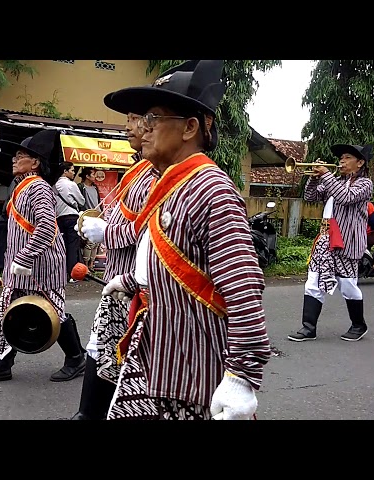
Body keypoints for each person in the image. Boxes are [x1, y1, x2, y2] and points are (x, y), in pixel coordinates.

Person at [92, 59, 271, 420]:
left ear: (190, 127)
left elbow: (243, 290)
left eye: (154, 118)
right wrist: (129, 281)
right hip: (158, 352)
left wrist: (242, 376)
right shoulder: (168, 184)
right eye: (144, 119)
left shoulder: (211, 189)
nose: (143, 129)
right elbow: (171, 259)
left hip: (194, 371)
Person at [0, 130, 86, 384]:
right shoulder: (23, 186)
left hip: (42, 266)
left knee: (54, 312)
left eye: (20, 155)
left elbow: (45, 227)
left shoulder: (39, 188)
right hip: (23, 267)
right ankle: (2, 363)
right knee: (8, 311)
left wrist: (24, 258)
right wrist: (12, 267)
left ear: (34, 162)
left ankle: (77, 358)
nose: (13, 159)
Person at [70, 113, 154, 420]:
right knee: (100, 346)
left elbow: (149, 230)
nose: (127, 126)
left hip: (136, 284)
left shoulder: (156, 175)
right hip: (119, 279)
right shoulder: (140, 169)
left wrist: (107, 232)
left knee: (122, 358)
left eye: (135, 119)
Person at [287, 143, 374, 343]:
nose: (341, 161)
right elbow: (310, 196)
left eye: (347, 158)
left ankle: (358, 325)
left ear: (360, 163)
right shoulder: (334, 180)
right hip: (325, 240)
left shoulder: (365, 184)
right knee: (313, 282)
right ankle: (308, 328)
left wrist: (326, 175)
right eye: (341, 157)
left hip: (346, 242)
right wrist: (312, 178)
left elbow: (346, 197)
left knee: (347, 285)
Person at [54, 161, 85, 282]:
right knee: (72, 245)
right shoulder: (71, 185)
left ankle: (61, 273)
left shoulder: (54, 185)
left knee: (61, 246)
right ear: (65, 171)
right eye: (72, 170)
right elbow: (81, 201)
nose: (73, 173)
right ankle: (73, 274)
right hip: (71, 216)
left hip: (58, 217)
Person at [77, 166, 103, 271]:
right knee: (89, 242)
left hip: (97, 215)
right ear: (87, 176)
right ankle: (86, 265)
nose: (95, 176)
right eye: (93, 174)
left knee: (96, 242)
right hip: (87, 215)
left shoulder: (95, 187)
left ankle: (92, 265)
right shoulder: (81, 186)